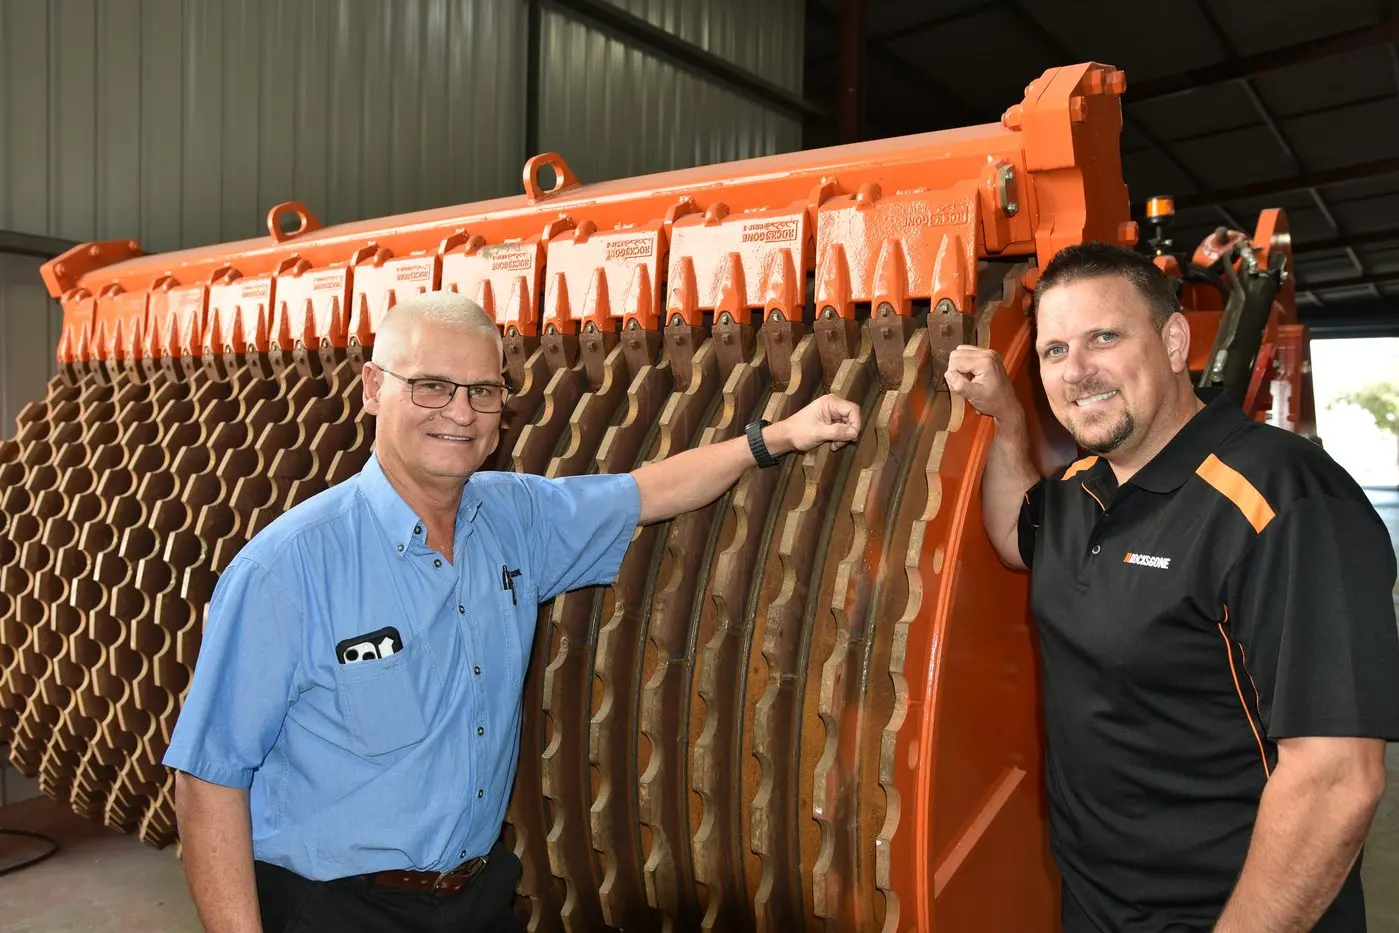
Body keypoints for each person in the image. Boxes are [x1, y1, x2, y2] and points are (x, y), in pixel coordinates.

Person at [162, 290, 862, 933]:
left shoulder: (515, 519)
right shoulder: (288, 569)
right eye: (431, 386)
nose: (460, 413)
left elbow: (647, 491)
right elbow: (207, 777)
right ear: (374, 388)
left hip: (476, 896)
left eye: (483, 391)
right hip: (336, 908)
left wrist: (775, 438)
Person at [946, 241, 1399, 932]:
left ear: (1174, 340)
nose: (1077, 370)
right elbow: (1014, 535)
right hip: (1094, 905)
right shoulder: (1077, 488)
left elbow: (1337, 779)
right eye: (1054, 351)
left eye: (1104, 336)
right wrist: (1008, 421)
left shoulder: (1285, 498)